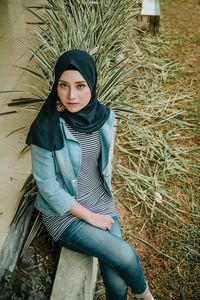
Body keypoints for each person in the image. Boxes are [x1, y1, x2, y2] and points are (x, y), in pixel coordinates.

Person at [26, 49, 155, 300]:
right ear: (56, 85)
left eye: (80, 85)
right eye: (63, 85)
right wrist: (90, 217)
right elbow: (47, 186)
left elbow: (101, 165)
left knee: (116, 283)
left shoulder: (105, 117)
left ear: (92, 84)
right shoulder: (46, 128)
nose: (71, 95)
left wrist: (100, 210)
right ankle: (146, 296)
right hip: (64, 214)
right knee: (125, 255)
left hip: (100, 201)